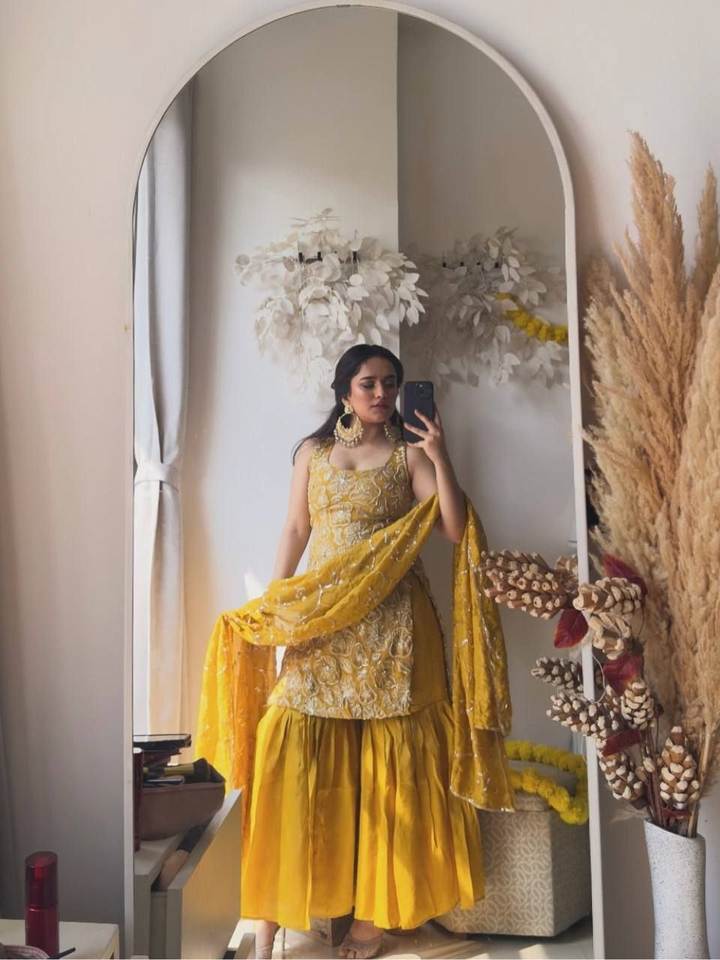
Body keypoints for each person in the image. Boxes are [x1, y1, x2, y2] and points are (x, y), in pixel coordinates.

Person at [196, 344, 514, 960]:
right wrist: (280, 605)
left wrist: (441, 456)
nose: (381, 394)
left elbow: (453, 528)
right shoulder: (312, 454)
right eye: (368, 383)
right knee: (289, 749)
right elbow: (296, 528)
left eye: (390, 383)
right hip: (324, 620)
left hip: (395, 627)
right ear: (344, 390)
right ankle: (272, 919)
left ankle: (371, 921)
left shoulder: (408, 455)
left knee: (389, 774)